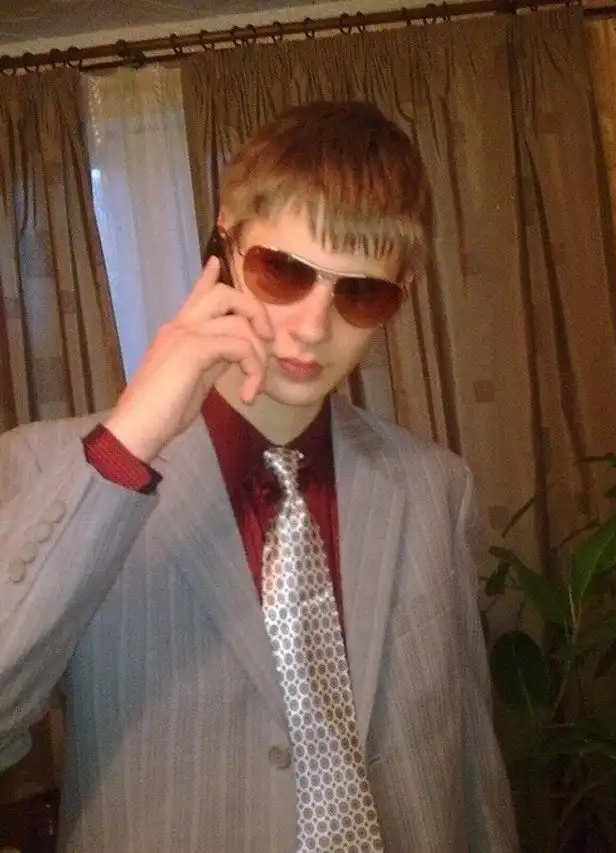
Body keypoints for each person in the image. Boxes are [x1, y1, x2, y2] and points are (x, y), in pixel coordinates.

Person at [0, 101, 517, 852]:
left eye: (360, 291)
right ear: (227, 242)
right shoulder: (50, 469)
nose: (312, 326)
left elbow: (470, 764)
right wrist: (131, 437)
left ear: (401, 292)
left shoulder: (437, 489)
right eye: (284, 270)